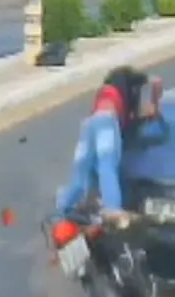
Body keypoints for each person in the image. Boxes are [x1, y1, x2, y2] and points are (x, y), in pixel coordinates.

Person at [55, 66, 163, 219]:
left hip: (90, 124)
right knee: (107, 165)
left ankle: (65, 204)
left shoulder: (109, 92)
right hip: (106, 121)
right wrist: (155, 105)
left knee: (81, 171)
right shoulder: (131, 80)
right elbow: (157, 82)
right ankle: (112, 209)